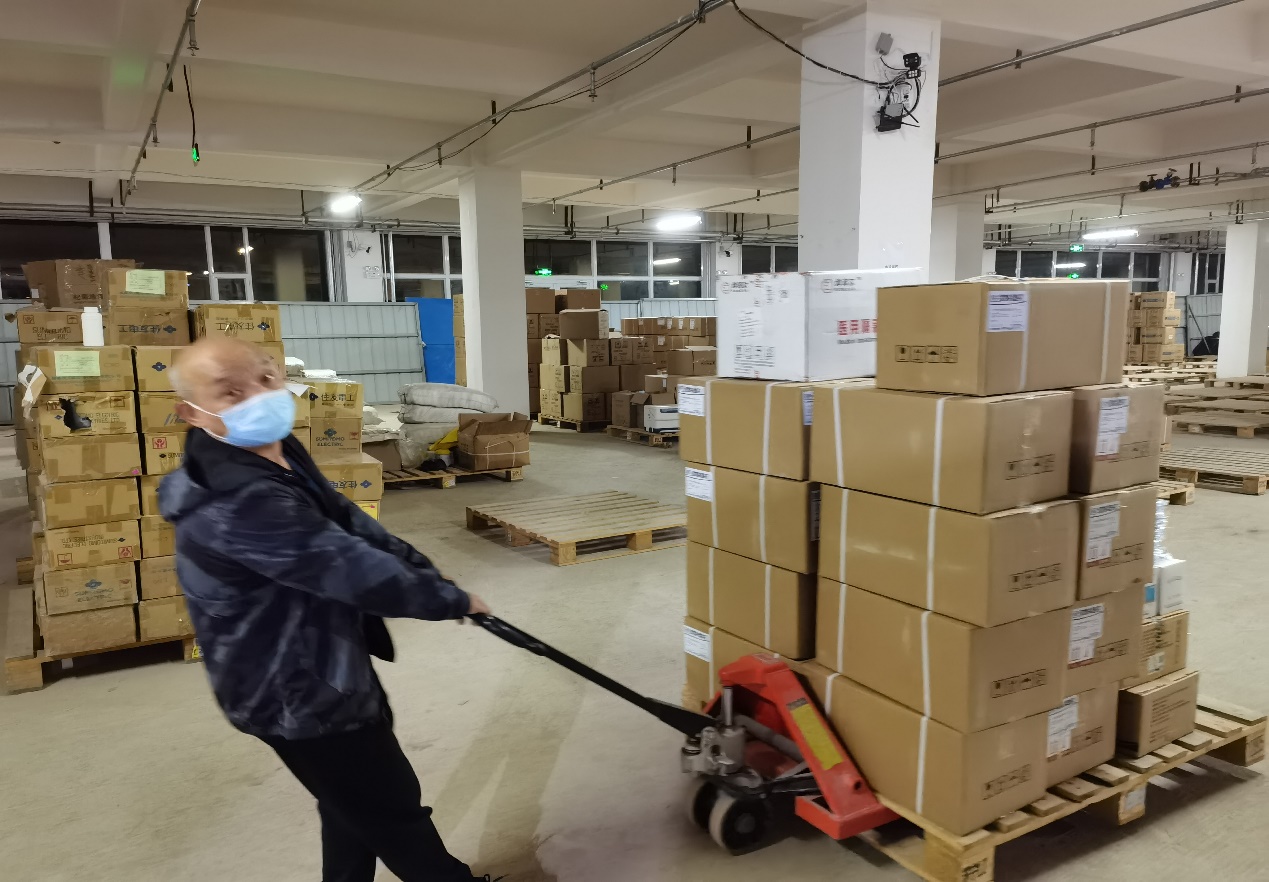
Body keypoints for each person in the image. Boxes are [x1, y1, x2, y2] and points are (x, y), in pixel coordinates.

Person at [159, 336, 496, 882]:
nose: (259, 396)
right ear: (192, 413)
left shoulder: (276, 451)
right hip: (291, 686)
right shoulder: (236, 499)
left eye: (265, 378)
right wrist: (447, 599)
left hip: (325, 659)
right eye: (231, 392)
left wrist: (423, 570)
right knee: (391, 810)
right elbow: (345, 566)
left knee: (349, 803)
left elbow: (344, 520)